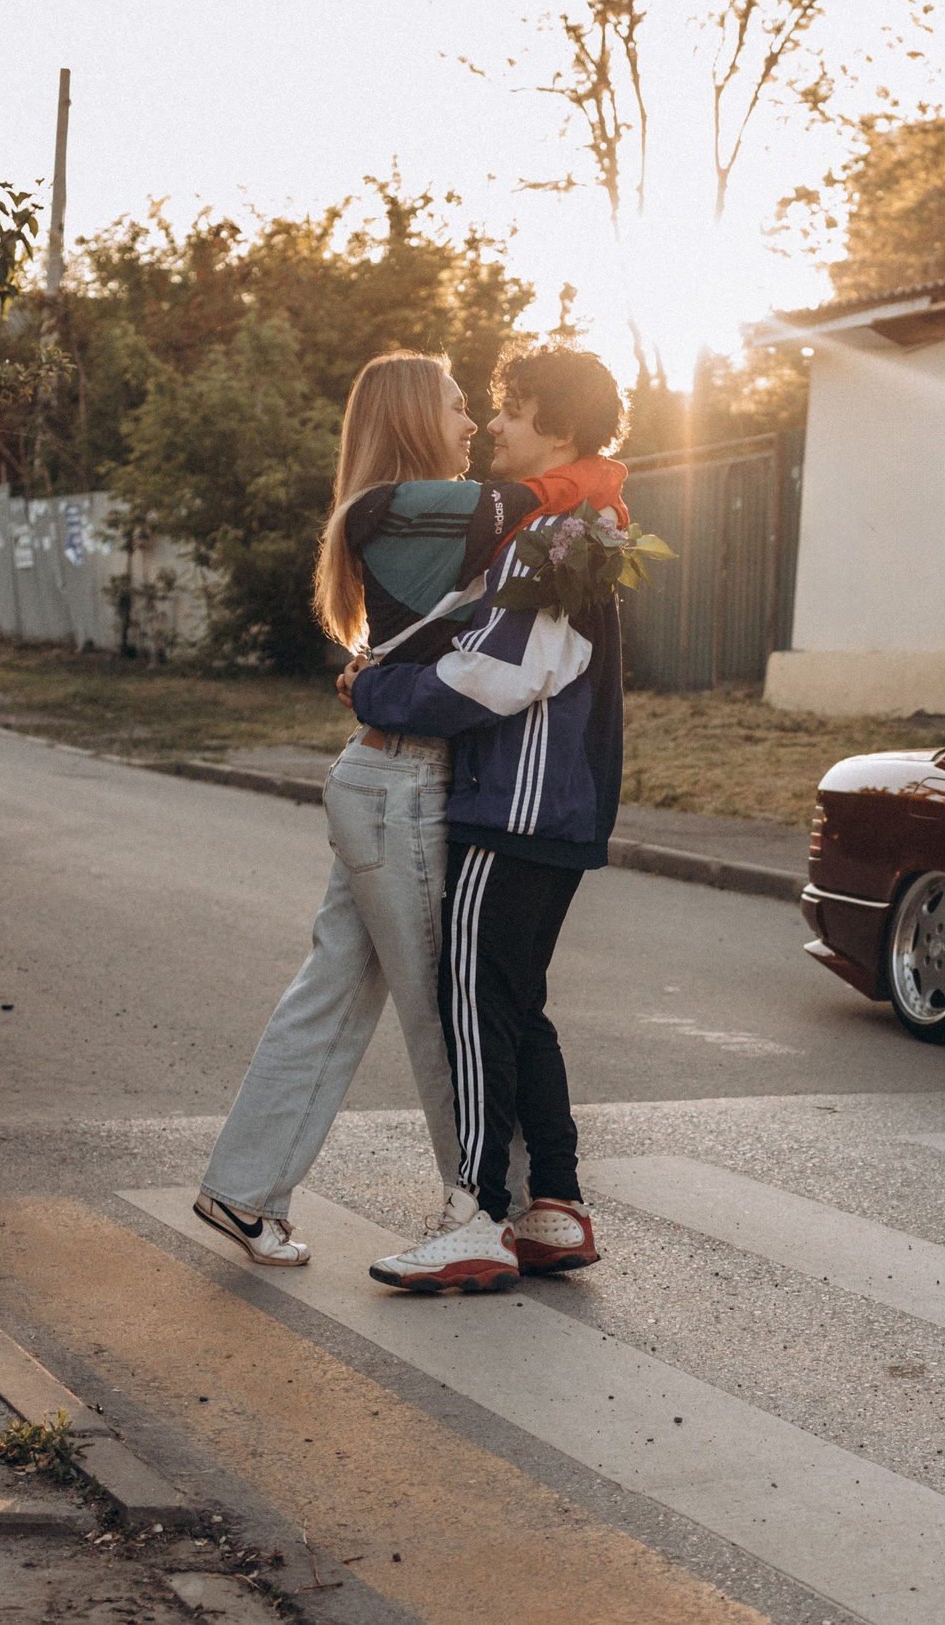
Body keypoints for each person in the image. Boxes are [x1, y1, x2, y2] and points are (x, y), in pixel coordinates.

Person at [191, 350, 627, 1268]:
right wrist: (598, 481)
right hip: (402, 781)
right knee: (449, 1005)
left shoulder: (436, 515)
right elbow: (556, 493)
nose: (475, 425)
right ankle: (484, 1212)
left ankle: (243, 1186)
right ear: (411, 420)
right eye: (460, 407)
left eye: (487, 408)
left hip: (389, 778)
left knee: (337, 990)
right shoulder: (401, 508)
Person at [349, 346, 630, 1294]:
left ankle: (474, 1216)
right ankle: (555, 1206)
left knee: (469, 1002)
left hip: (516, 807)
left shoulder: (553, 535)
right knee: (517, 1003)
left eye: (509, 410)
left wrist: (375, 689)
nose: (496, 428)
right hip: (557, 808)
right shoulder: (588, 523)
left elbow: (495, 675)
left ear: (556, 422)